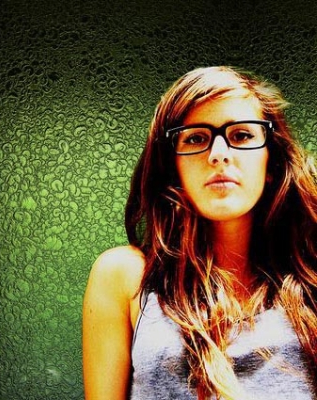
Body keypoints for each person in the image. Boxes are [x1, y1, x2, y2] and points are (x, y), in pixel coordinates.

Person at [82, 66, 317, 400]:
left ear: (272, 163)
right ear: (172, 168)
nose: (219, 154)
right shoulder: (126, 277)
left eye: (241, 135)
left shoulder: (310, 277)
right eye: (195, 138)